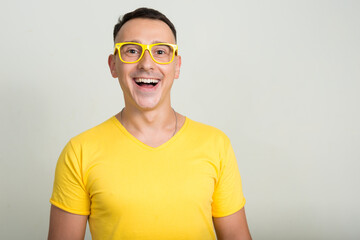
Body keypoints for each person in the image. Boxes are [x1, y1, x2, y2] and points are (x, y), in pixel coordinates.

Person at [48, 7, 252, 240]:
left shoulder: (216, 145)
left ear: (177, 66)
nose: (147, 63)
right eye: (132, 51)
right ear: (113, 65)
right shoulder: (79, 151)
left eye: (161, 51)